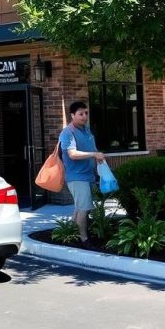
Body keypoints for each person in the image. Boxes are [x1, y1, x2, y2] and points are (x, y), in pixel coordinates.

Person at [59, 100, 105, 248]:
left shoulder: (87, 130)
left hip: (87, 176)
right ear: (72, 115)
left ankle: (70, 235)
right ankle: (84, 240)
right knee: (84, 208)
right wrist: (93, 154)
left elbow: (93, 148)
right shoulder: (68, 133)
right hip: (76, 177)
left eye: (86, 113)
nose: (84, 116)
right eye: (80, 114)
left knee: (80, 207)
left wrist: (98, 158)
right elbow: (72, 154)